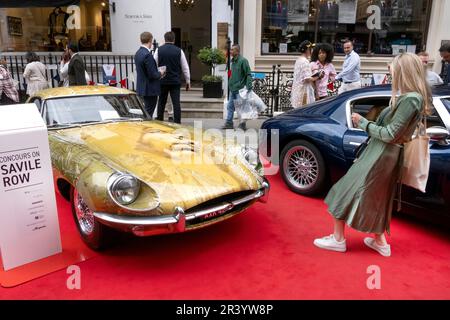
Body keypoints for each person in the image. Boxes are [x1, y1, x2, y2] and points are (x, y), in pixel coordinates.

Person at [314, 52, 432, 257]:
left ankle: (338, 239)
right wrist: (371, 120)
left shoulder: (411, 99)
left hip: (382, 154)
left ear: (403, 71)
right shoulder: (409, 97)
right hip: (384, 154)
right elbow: (389, 129)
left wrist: (363, 123)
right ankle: (380, 242)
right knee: (378, 198)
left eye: (393, 69)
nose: (391, 73)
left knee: (344, 191)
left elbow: (390, 134)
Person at [154, 31, 191, 124]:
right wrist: (188, 81)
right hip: (175, 81)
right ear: (174, 39)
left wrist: (156, 77)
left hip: (162, 80)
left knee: (161, 102)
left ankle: (159, 121)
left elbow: (154, 64)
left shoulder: (158, 50)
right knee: (176, 103)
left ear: (164, 39)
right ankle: (177, 122)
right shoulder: (179, 51)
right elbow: (185, 67)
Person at [222, 43, 253, 130]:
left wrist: (248, 87)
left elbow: (248, 74)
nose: (230, 51)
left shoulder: (243, 61)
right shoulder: (233, 61)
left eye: (232, 50)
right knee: (230, 106)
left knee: (240, 108)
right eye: (230, 50)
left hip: (240, 89)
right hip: (233, 89)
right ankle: (229, 123)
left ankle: (242, 125)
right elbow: (231, 73)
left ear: (237, 51)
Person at [134, 31, 164, 117]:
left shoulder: (138, 53)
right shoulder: (147, 55)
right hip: (150, 89)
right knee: (148, 113)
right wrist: (161, 73)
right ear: (150, 40)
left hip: (142, 88)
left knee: (146, 111)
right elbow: (153, 74)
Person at [291, 40, 320, 108]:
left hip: (298, 90)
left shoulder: (299, 60)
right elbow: (307, 79)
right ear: (307, 49)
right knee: (304, 111)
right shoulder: (305, 61)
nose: (312, 51)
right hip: (304, 91)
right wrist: (318, 76)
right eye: (311, 49)